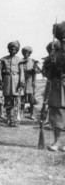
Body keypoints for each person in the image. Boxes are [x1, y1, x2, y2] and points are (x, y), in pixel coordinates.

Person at [41, 21, 65, 151]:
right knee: (57, 113)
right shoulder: (54, 51)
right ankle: (56, 143)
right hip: (57, 86)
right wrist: (49, 63)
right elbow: (46, 74)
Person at [0, 40, 25, 127]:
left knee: (16, 102)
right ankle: (8, 119)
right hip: (7, 81)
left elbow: (21, 72)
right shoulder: (4, 59)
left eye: (14, 49)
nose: (12, 51)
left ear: (17, 50)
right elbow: (0, 72)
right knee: (7, 101)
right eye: (11, 49)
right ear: (8, 49)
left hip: (16, 81)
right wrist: (0, 81)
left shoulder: (19, 60)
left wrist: (21, 83)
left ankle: (15, 121)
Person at [20, 46, 40, 120]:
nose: (26, 54)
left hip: (30, 81)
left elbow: (37, 71)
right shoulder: (20, 61)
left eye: (28, 53)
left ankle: (32, 113)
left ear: (30, 53)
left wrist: (34, 81)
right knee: (23, 98)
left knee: (31, 98)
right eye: (25, 52)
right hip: (22, 81)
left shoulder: (33, 61)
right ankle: (21, 112)